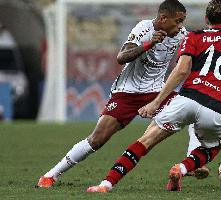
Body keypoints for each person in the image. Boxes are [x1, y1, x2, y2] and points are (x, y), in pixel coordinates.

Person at [86, 0, 221, 193]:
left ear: (206, 19)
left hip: (187, 99)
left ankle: (106, 184)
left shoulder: (195, 36)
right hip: (218, 108)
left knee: (144, 142)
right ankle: (183, 168)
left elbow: (180, 71)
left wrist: (156, 102)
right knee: (211, 149)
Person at [37, 0, 208, 188]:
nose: (180, 26)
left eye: (182, 21)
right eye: (177, 21)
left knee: (192, 108)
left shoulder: (182, 35)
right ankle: (50, 175)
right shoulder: (143, 28)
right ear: (163, 18)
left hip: (157, 92)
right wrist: (148, 44)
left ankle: (192, 162)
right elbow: (121, 57)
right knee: (97, 139)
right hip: (127, 92)